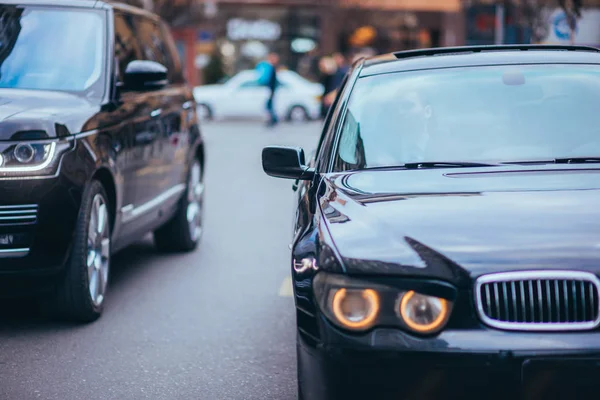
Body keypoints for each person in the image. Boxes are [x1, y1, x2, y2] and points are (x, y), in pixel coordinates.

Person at [264, 52, 280, 127]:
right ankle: (273, 119)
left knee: (269, 106)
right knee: (269, 106)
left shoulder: (272, 68)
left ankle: (274, 119)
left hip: (271, 90)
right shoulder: (272, 68)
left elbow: (272, 81)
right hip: (271, 90)